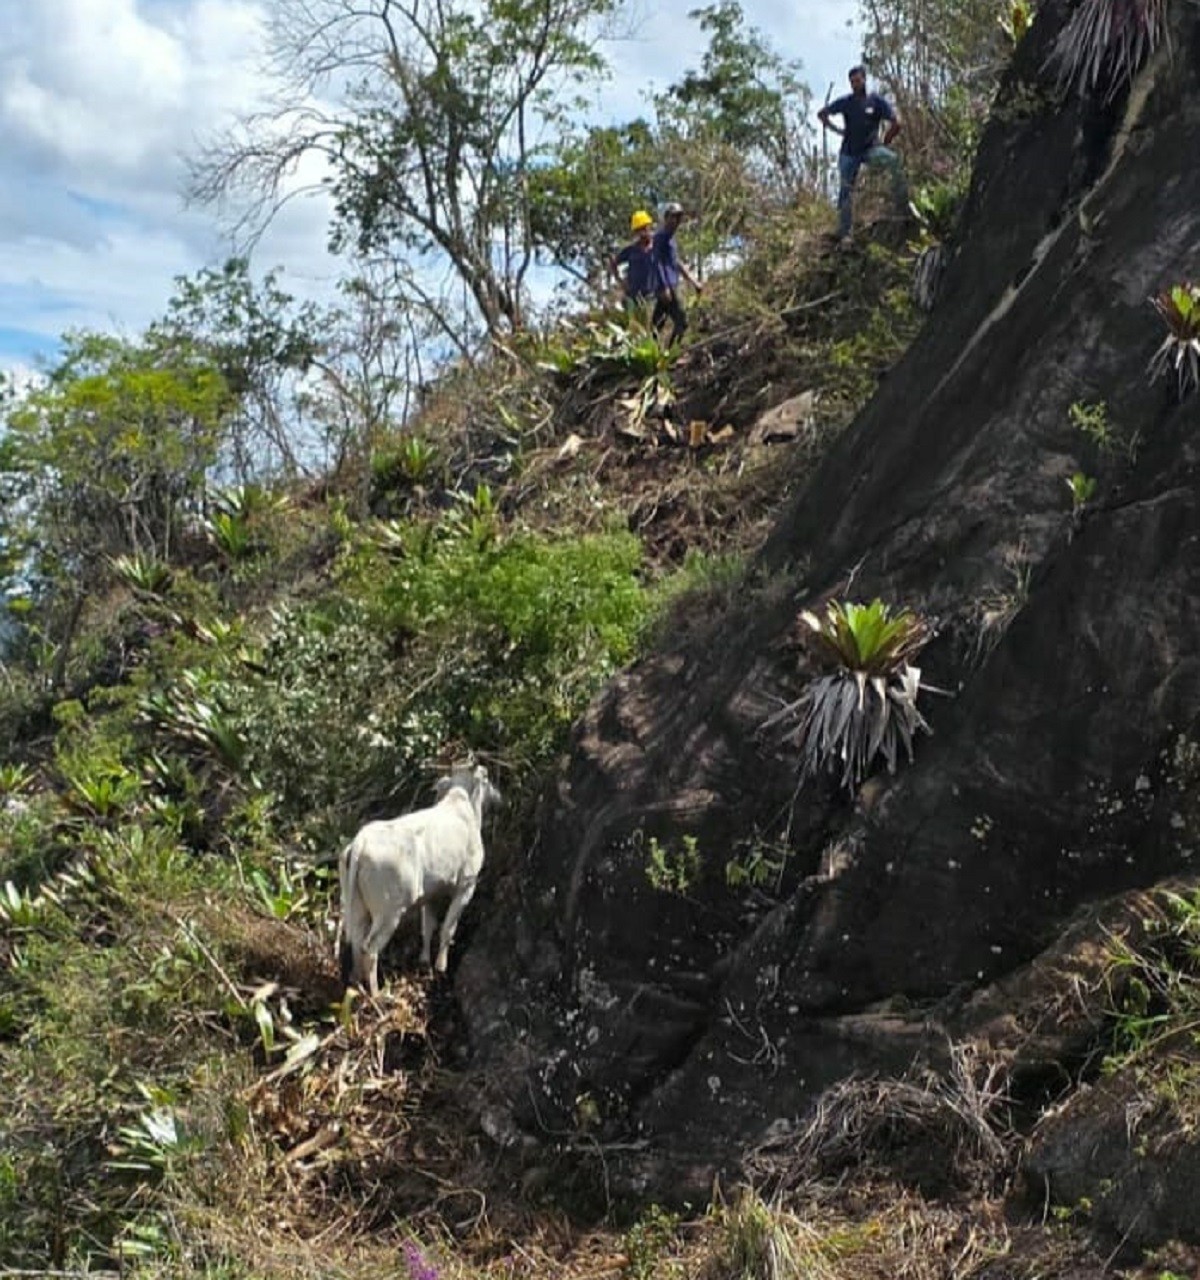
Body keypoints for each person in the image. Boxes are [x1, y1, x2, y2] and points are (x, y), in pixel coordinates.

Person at [818, 65, 909, 246]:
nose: (855, 84)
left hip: (871, 149)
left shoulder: (875, 101)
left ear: (864, 79)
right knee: (845, 191)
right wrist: (837, 130)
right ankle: (845, 234)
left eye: (857, 80)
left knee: (893, 161)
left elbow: (897, 122)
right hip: (849, 153)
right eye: (852, 82)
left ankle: (902, 207)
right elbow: (822, 114)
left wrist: (887, 139)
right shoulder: (846, 102)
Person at [651, 201, 703, 345]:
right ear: (666, 218)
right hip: (667, 288)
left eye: (679, 217)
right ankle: (670, 356)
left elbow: (677, 263)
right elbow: (656, 262)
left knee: (656, 326)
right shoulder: (660, 237)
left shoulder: (672, 240)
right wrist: (663, 287)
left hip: (672, 285)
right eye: (673, 217)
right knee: (682, 322)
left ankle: (659, 357)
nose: (676, 221)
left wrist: (693, 281)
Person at [609, 210, 658, 311]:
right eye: (639, 230)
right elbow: (614, 262)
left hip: (653, 296)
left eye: (645, 228)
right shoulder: (631, 250)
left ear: (649, 226)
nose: (643, 232)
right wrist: (620, 281)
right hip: (633, 296)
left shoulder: (658, 246)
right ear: (636, 232)